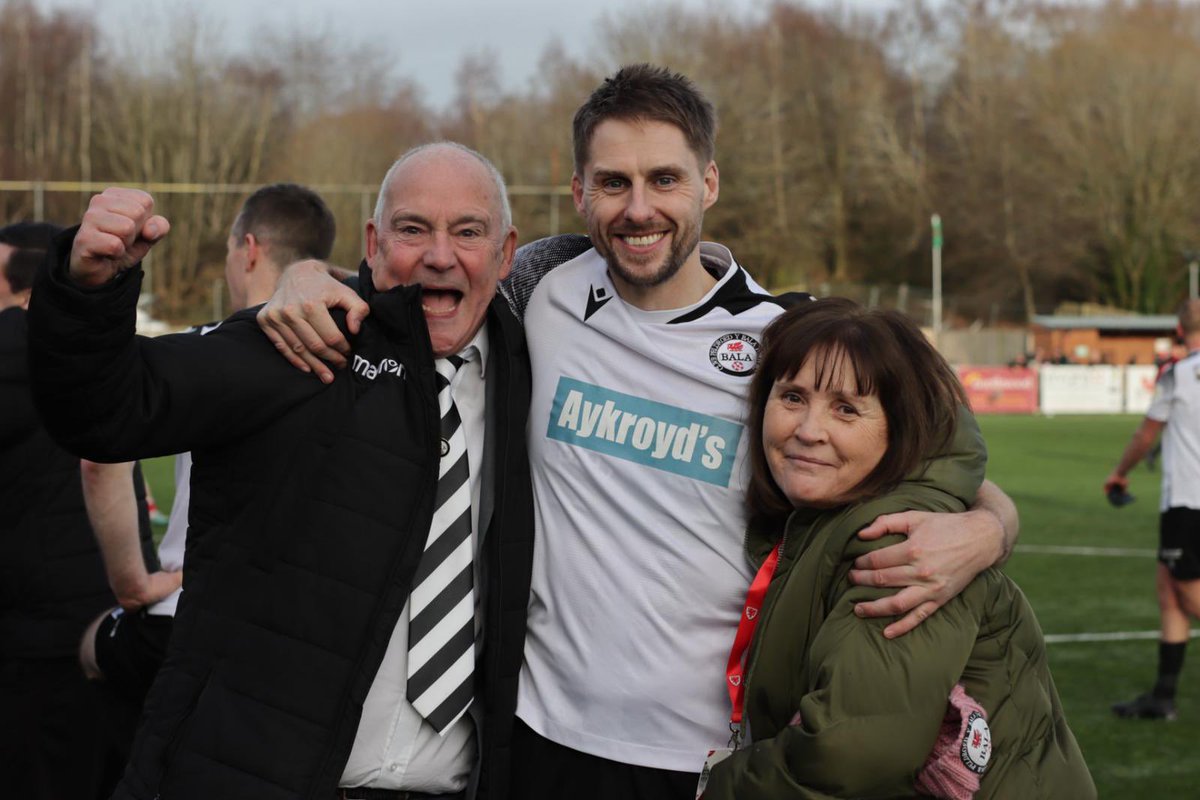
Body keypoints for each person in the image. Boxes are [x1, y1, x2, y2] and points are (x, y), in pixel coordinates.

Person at [258, 65, 1019, 798]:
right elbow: (423, 275)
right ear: (579, 192)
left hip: (706, 756)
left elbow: (932, 451)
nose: (639, 208)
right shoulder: (541, 292)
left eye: (665, 179)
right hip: (535, 737)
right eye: (613, 183)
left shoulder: (782, 337)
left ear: (709, 183)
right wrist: (304, 277)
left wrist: (990, 526)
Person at [27, 142, 534, 799]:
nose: (441, 254)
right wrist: (89, 290)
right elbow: (108, 412)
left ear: (507, 250)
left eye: (468, 231)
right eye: (413, 229)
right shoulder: (302, 338)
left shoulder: (535, 364)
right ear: (374, 242)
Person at [700, 297, 1094, 798]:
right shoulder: (824, 519)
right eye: (793, 397)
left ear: (901, 425)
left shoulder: (902, 542)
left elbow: (850, 753)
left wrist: (721, 789)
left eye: (846, 409)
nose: (808, 431)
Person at [75, 183, 338, 766]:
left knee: (92, 663)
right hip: (307, 636)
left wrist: (132, 586)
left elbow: (102, 457)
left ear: (248, 248)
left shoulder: (214, 349)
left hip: (191, 621)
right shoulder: (359, 358)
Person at [1, 222, 160, 800]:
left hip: (38, 636)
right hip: (113, 624)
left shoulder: (19, 348)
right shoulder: (111, 351)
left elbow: (102, 466)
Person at [1105, 298, 1200, 721]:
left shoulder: (1177, 374)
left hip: (1187, 500)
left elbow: (1146, 435)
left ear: (1179, 331)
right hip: (1187, 500)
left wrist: (1118, 473)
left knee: (1186, 590)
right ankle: (1163, 697)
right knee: (1169, 590)